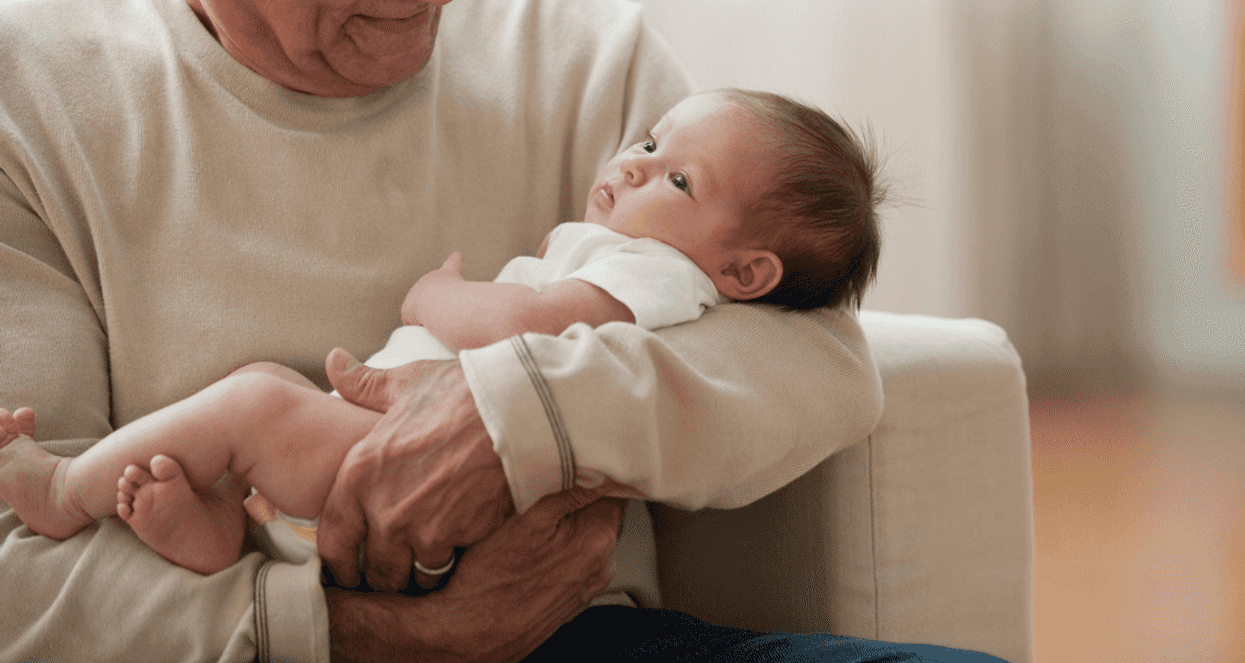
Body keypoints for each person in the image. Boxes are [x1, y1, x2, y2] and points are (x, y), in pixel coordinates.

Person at [0, 0, 1007, 660]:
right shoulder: (29, 91)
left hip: (582, 640)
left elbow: (818, 367)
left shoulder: (578, 47)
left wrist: (520, 420)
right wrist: (359, 638)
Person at [0, 87, 881, 578]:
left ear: (746, 274)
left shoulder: (654, 273)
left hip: (397, 469)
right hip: (383, 474)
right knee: (260, 417)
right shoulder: (645, 262)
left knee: (257, 399)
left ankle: (68, 488)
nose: (635, 162)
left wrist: (432, 297)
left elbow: (519, 324)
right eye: (650, 141)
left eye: (677, 178)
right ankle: (226, 538)